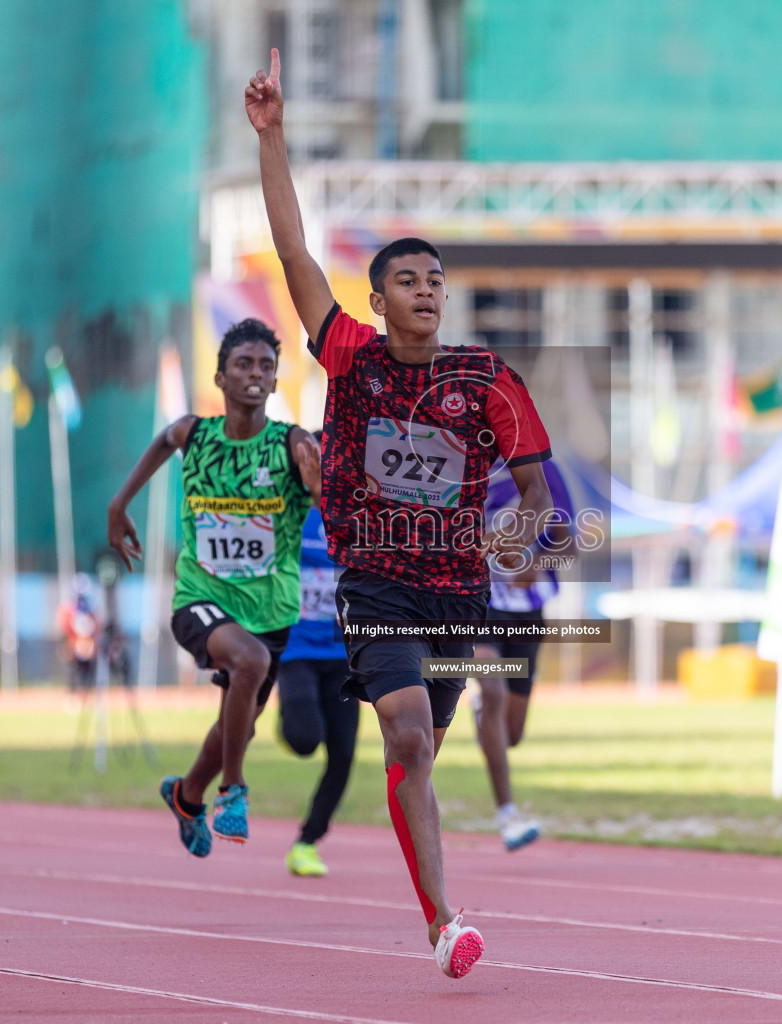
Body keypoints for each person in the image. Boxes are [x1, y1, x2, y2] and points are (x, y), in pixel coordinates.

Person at [248, 49, 554, 979]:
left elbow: (537, 489)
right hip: (375, 581)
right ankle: (443, 922)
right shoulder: (348, 354)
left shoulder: (488, 382)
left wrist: (522, 540)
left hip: (459, 592)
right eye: (408, 280)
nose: (427, 289)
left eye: (436, 279)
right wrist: (273, 138)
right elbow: (297, 252)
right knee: (409, 733)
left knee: (425, 738)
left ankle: (420, 832)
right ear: (378, 302)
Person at [108, 317, 321, 851]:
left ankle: (186, 795)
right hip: (199, 599)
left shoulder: (292, 445)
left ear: (276, 383)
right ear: (220, 377)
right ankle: (234, 789)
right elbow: (163, 439)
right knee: (249, 663)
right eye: (243, 364)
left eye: (266, 367)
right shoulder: (195, 435)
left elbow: (327, 504)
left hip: (270, 610)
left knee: (237, 726)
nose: (255, 374)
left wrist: (319, 483)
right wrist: (119, 505)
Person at [473, 459, 573, 851]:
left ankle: (485, 719)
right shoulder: (457, 461)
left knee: (511, 733)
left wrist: (536, 562)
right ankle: (508, 814)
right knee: (492, 690)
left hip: (527, 610)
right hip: (476, 605)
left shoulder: (544, 467)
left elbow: (569, 544)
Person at [275, 499, 358, 877]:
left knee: (342, 754)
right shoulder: (289, 517)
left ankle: (307, 841)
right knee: (305, 738)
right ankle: (289, 722)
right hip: (298, 651)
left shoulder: (356, 521)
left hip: (343, 655)